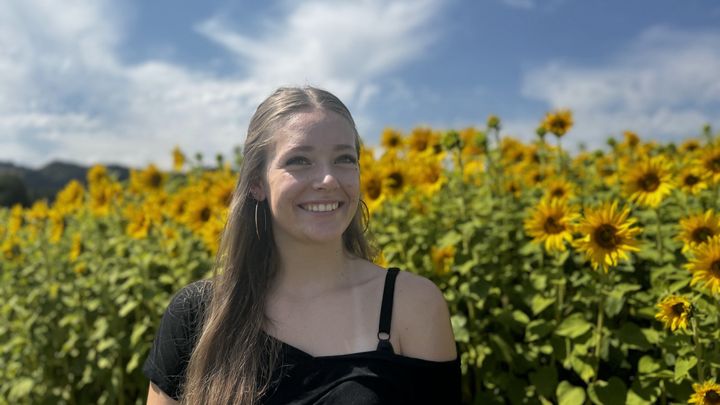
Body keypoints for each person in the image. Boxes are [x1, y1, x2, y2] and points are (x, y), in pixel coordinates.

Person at [143, 86, 461, 405]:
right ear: (256, 183)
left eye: (344, 159)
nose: (328, 179)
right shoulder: (199, 315)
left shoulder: (411, 306)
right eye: (299, 160)